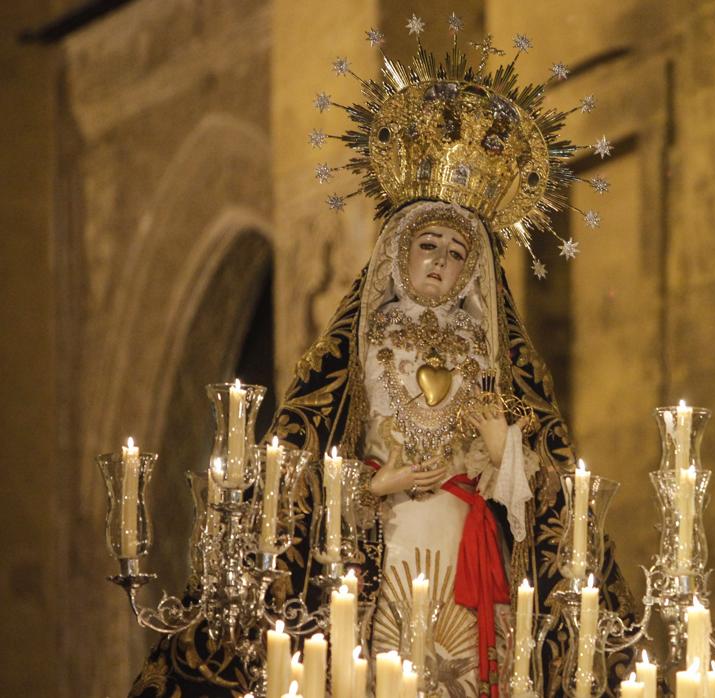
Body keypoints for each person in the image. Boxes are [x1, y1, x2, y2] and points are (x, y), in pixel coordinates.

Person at [129, 18, 634, 698]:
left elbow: (543, 499)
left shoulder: (492, 360)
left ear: (473, 273)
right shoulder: (360, 348)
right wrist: (372, 489)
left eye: (457, 255)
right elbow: (307, 467)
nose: (440, 263)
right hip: (386, 539)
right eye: (428, 245)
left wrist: (503, 451)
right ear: (399, 250)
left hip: (467, 549)